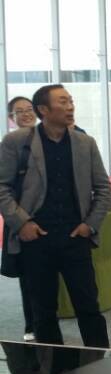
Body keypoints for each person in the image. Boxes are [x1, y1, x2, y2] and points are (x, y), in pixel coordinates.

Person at [0, 84, 111, 348]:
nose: (70, 106)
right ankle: (54, 367)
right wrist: (22, 223)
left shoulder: (85, 142)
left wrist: (89, 225)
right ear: (43, 109)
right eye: (63, 102)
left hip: (76, 237)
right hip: (36, 239)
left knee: (89, 307)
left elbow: (103, 189)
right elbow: (2, 186)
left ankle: (101, 362)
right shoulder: (17, 142)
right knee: (43, 311)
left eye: (71, 101)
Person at [5, 96, 37, 341]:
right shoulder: (10, 143)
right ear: (11, 118)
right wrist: (19, 219)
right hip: (20, 217)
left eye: (29, 109)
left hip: (48, 217)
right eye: (20, 111)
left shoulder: (49, 137)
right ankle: (31, 325)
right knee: (28, 274)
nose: (26, 114)